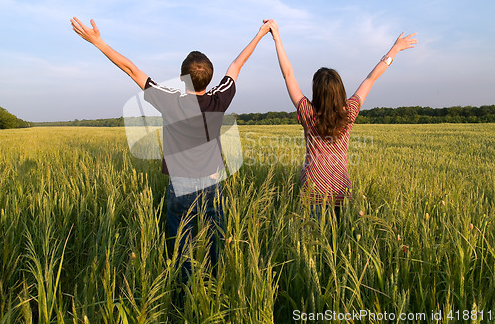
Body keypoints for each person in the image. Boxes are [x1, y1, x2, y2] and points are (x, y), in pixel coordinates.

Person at [70, 17, 273, 281]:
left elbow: (131, 69)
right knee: (215, 242)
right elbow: (237, 64)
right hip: (212, 183)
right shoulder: (218, 98)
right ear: (210, 79)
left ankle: (183, 294)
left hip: (180, 185)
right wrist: (260, 33)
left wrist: (98, 42)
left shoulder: (169, 100)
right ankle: (212, 286)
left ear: (182, 78)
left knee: (181, 245)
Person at [267, 20, 417, 219]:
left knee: (314, 243)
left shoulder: (307, 112)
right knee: (338, 242)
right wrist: (395, 49)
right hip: (341, 188)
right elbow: (371, 78)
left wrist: (277, 37)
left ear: (316, 91)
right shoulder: (350, 112)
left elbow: (288, 75)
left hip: (313, 189)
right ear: (340, 90)